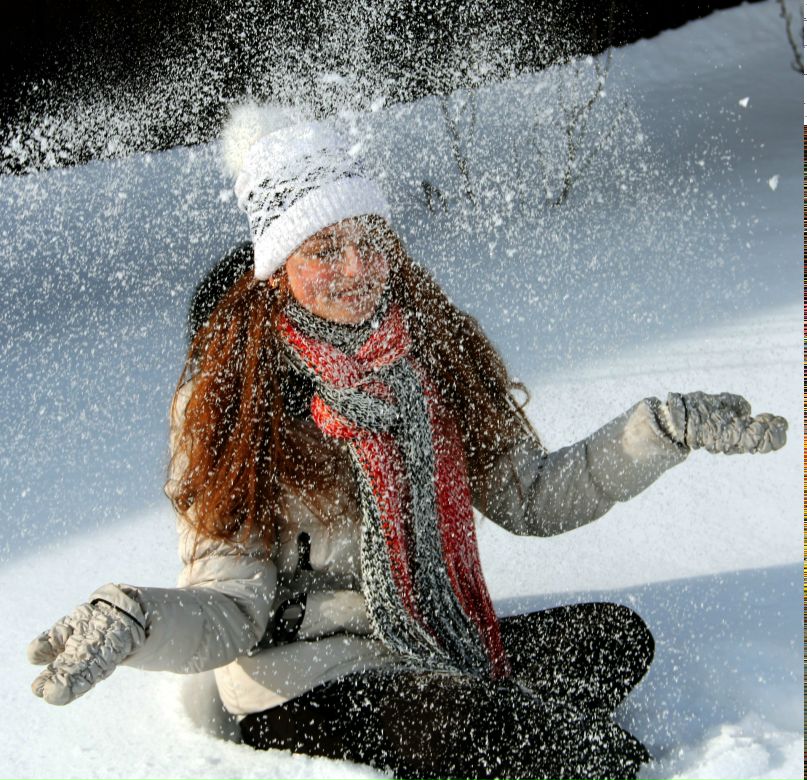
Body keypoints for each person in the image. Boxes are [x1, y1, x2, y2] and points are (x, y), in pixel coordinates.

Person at [28, 104, 788, 780]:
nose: (356, 269)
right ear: (277, 265)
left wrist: (656, 432)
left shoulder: (431, 352)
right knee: (596, 760)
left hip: (429, 641)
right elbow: (232, 607)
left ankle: (468, 705)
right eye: (324, 249)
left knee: (613, 640)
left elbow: (529, 498)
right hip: (305, 680)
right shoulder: (234, 396)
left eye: (369, 241)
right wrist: (133, 618)